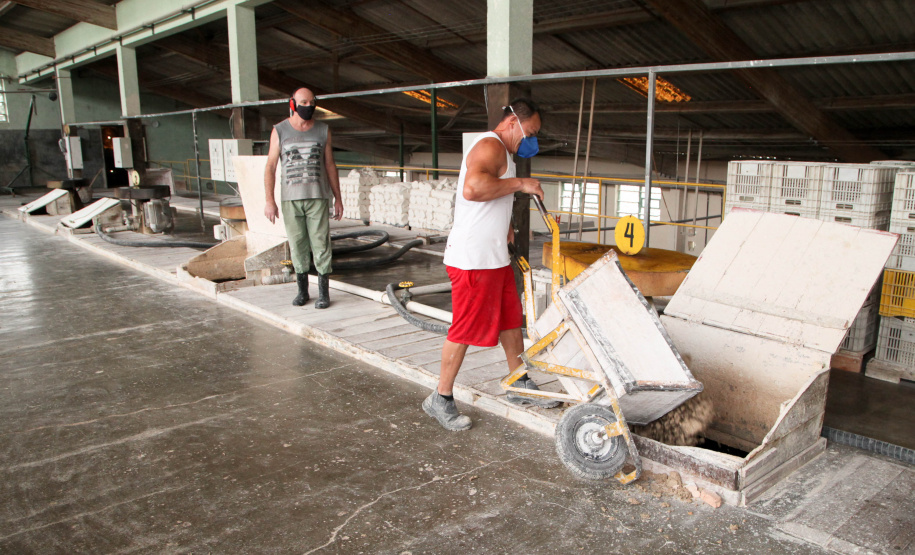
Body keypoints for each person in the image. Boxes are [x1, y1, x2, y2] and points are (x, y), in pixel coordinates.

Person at [423, 98, 558, 432]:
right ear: (513, 122)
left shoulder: (504, 154)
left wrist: (506, 223)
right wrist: (521, 184)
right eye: (531, 132)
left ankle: (518, 381)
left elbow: (490, 194)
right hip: (473, 259)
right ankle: (440, 397)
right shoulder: (491, 146)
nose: (532, 140)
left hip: (493, 256)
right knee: (465, 328)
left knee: (511, 320)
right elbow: (473, 188)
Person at [264, 87, 344, 309]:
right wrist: (269, 200)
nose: (308, 107)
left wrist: (337, 198)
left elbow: (330, 165)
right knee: (297, 244)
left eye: (311, 102)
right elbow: (270, 166)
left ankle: (323, 293)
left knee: (321, 244)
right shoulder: (279, 131)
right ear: (293, 104)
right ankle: (302, 292)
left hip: (317, 197)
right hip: (291, 199)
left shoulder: (323, 130)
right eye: (303, 103)